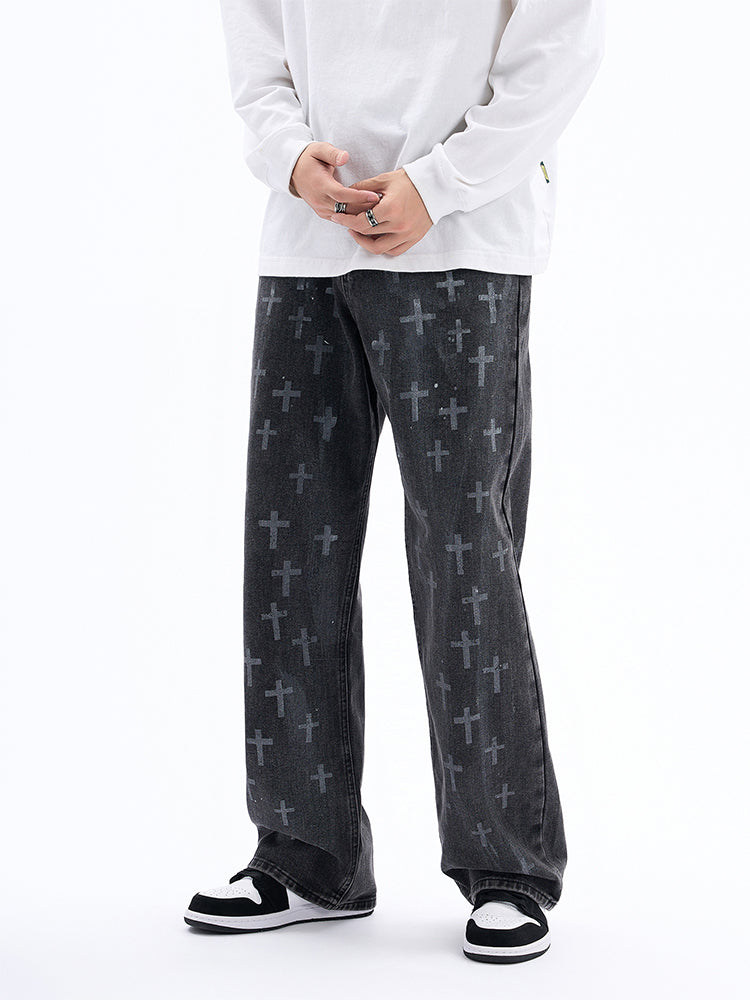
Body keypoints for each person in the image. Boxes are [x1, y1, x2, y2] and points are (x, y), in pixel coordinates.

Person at [184, 0, 605, 964]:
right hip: (306, 243)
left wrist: (440, 182)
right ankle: (308, 854)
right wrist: (292, 159)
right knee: (290, 554)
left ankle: (505, 866)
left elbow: (560, 43)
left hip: (463, 240)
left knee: (465, 559)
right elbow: (257, 48)